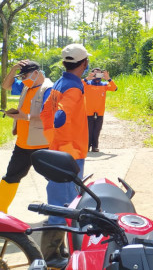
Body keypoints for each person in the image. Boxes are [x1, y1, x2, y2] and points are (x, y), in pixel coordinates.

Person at [40, 43, 91, 268]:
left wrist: (52, 136)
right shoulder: (72, 86)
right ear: (84, 63)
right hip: (68, 153)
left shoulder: (61, 82)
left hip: (60, 148)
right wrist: (64, 137)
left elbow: (45, 110)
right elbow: (60, 115)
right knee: (64, 205)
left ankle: (58, 250)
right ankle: (51, 257)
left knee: (64, 202)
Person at [0, 60, 53, 213]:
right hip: (22, 144)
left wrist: (26, 117)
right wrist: (13, 69)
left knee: (55, 179)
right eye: (21, 77)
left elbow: (50, 116)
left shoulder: (48, 89)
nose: (23, 80)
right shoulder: (26, 86)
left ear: (36, 73)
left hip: (42, 145)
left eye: (25, 76)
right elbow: (5, 86)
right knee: (11, 177)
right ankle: (1, 212)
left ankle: (71, 208)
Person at [83, 68, 117, 152]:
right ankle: (86, 146)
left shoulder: (104, 85)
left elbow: (114, 88)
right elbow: (77, 85)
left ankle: (95, 146)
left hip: (100, 111)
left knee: (97, 129)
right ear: (91, 74)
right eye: (95, 74)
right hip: (88, 111)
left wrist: (108, 78)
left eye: (99, 74)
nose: (97, 75)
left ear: (102, 75)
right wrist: (87, 78)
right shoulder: (87, 84)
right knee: (88, 130)